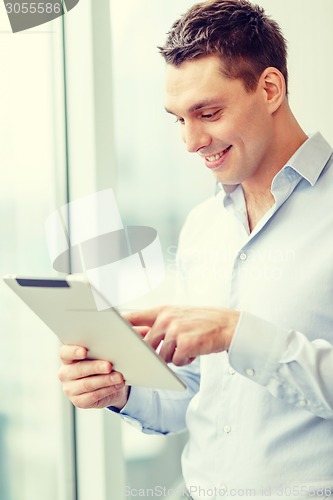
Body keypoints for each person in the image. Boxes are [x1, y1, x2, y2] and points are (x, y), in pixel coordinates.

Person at [58, 1, 333, 498]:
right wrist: (121, 388)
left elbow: (240, 344)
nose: (190, 141)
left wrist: (237, 333)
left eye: (208, 113)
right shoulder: (202, 226)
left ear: (269, 89)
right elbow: (196, 395)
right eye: (178, 119)